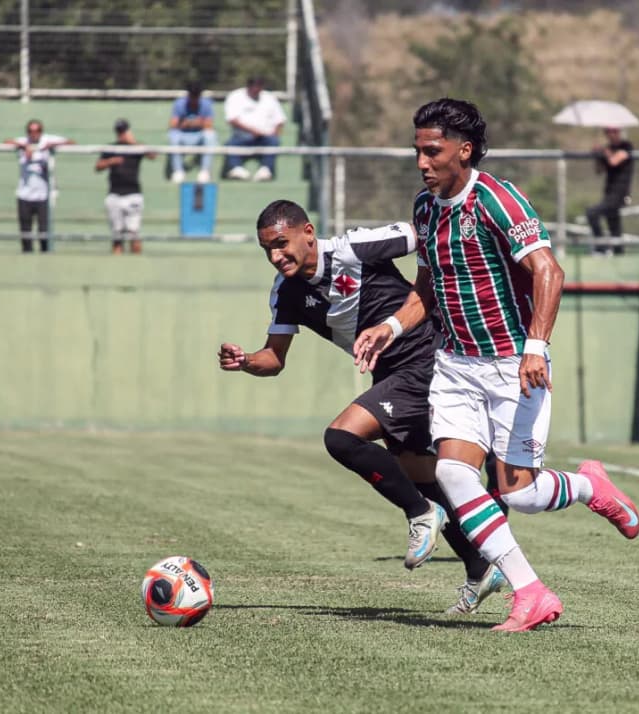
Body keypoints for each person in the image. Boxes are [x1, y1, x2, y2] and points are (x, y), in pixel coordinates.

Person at [353, 98, 639, 633]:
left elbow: (548, 271)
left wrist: (537, 346)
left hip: (513, 364)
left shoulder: (498, 200)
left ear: (464, 151)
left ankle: (589, 486)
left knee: (520, 494)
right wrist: (390, 327)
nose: (422, 161)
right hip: (455, 364)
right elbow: (427, 288)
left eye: (432, 151)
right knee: (454, 475)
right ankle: (531, 592)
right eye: (417, 150)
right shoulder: (424, 208)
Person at [217, 199, 507, 614]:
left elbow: (422, 232)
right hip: (390, 374)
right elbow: (274, 358)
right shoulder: (286, 291)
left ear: (308, 233)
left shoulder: (355, 248)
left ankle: (422, 514)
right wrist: (246, 361)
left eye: (282, 243)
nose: (276, 256)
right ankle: (481, 565)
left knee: (341, 437)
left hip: (426, 357)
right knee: (418, 471)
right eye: (267, 249)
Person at [6, 119, 74, 253]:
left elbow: (72, 142)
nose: (34, 134)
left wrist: (51, 145)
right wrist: (24, 146)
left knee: (44, 232)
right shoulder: (24, 141)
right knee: (26, 233)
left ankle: (45, 257)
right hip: (24, 194)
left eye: (37, 131)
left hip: (44, 195)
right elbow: (6, 142)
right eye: (31, 131)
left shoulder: (47, 140)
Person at [95, 119, 156, 255]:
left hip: (133, 194)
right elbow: (98, 166)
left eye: (124, 131)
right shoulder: (111, 148)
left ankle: (137, 264)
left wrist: (133, 142)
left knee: (134, 233)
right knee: (117, 235)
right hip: (115, 195)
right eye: (119, 131)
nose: (121, 134)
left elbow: (153, 155)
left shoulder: (136, 148)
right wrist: (111, 161)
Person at [223, 76, 286, 182]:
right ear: (248, 87)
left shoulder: (269, 98)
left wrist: (275, 133)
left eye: (259, 87)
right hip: (242, 135)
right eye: (254, 87)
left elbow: (280, 120)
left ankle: (266, 170)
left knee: (274, 141)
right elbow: (232, 120)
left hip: (266, 136)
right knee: (231, 144)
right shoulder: (235, 96)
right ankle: (236, 169)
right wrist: (253, 131)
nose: (256, 90)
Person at [586, 126, 633, 255]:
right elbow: (599, 170)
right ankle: (619, 252)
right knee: (613, 224)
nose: (611, 134)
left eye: (614, 131)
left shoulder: (626, 146)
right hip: (609, 192)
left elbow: (614, 161)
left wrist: (604, 152)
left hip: (620, 193)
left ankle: (601, 247)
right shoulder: (608, 149)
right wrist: (597, 155)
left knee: (592, 213)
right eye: (608, 132)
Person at [168, 81, 217, 184]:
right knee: (173, 135)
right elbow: (173, 124)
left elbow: (209, 125)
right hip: (183, 135)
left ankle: (205, 171)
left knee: (210, 135)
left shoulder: (206, 104)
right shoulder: (179, 103)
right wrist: (189, 123)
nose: (194, 99)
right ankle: (178, 171)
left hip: (199, 135)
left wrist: (191, 123)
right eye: (192, 95)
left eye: (196, 96)